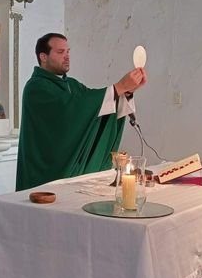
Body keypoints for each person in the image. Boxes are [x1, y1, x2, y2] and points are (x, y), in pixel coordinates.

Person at [16, 33, 147, 191]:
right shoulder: (35, 87)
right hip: (46, 176)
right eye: (60, 52)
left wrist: (125, 92)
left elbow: (96, 108)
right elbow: (72, 111)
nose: (67, 57)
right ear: (43, 57)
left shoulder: (72, 84)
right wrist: (118, 87)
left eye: (68, 51)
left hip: (74, 175)